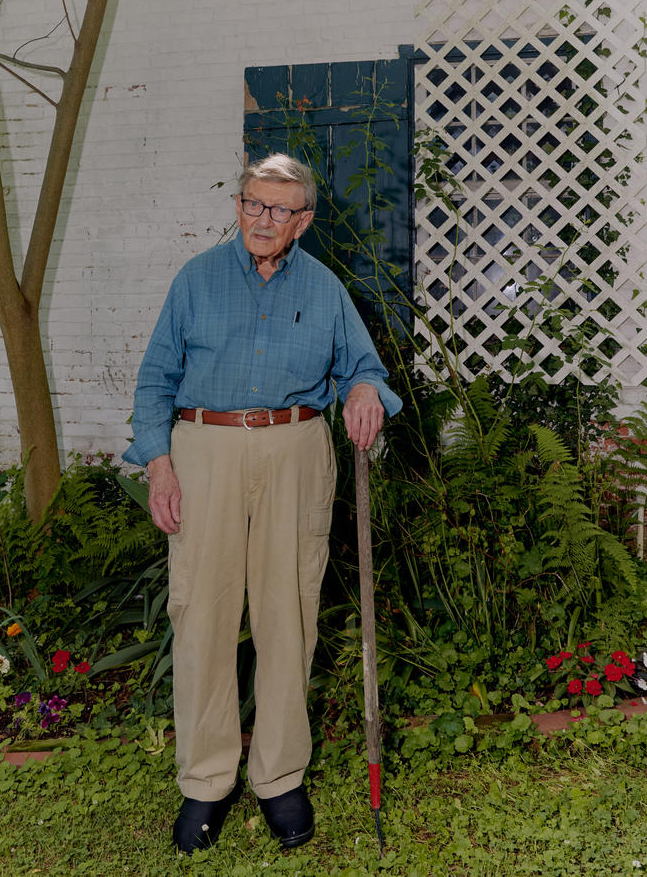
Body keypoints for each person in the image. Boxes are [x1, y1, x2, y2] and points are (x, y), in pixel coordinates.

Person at [123, 154, 402, 855]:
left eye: (280, 210)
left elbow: (363, 368)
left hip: (296, 451)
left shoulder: (326, 288)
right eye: (253, 204)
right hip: (204, 450)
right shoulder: (196, 280)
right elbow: (155, 380)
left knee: (288, 615)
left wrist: (366, 392)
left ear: (303, 221)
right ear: (239, 204)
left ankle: (279, 777)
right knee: (203, 615)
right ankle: (206, 782)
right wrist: (159, 465)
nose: (263, 219)